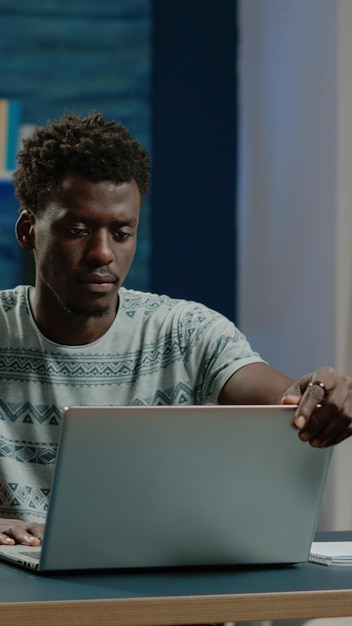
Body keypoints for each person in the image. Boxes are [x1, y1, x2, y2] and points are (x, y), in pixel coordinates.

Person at [0, 111, 351, 548]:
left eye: (122, 232)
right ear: (29, 230)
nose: (102, 253)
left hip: (161, 590)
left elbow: (286, 399)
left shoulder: (185, 331)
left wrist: (319, 398)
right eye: (77, 230)